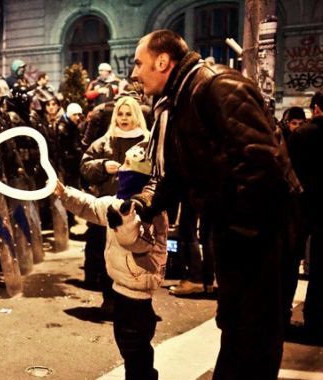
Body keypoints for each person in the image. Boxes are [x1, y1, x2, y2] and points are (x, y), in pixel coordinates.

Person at [129, 29, 302, 378]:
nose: (134, 72)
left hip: (261, 232)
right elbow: (176, 173)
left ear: (163, 62)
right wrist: (141, 205)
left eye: (139, 63)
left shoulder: (217, 86)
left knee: (256, 332)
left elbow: (263, 164)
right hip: (237, 230)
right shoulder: (181, 97)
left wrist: (236, 227)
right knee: (236, 325)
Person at [54, 139, 167, 380]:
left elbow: (137, 242)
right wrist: (65, 193)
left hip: (137, 291)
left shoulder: (149, 211)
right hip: (122, 288)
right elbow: (92, 206)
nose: (121, 168)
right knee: (128, 345)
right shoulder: (119, 202)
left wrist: (125, 220)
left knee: (135, 348)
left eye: (127, 164)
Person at [80, 96, 149, 311]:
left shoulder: (147, 141)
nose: (124, 118)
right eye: (120, 113)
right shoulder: (104, 142)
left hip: (138, 210)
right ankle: (109, 299)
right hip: (109, 210)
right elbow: (84, 166)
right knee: (110, 257)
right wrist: (102, 166)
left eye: (129, 113)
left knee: (138, 258)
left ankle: (139, 302)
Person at [288, 88, 323, 341]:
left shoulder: (302, 134)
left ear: (315, 109)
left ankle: (283, 314)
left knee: (290, 261)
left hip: (300, 205)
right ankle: (315, 318)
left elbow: (286, 167)